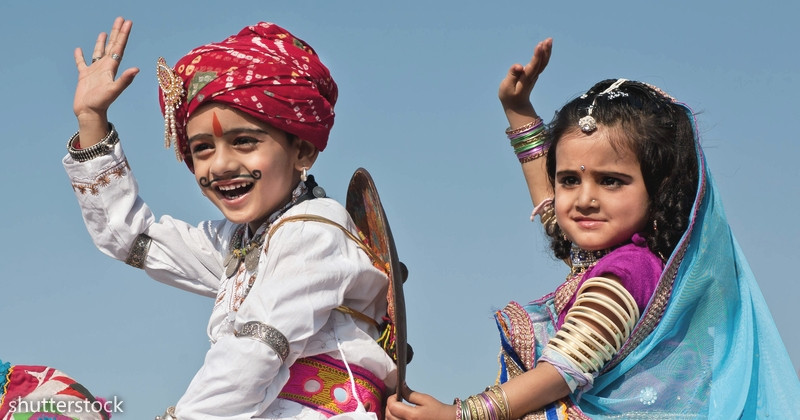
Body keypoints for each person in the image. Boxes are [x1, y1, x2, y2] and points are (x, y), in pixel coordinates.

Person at [386, 39, 800, 419]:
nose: (583, 199)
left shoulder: (626, 272)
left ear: (659, 190)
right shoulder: (609, 255)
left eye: (611, 181)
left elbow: (563, 370)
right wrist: (519, 110)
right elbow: (553, 208)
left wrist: (460, 415)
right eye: (570, 179)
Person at [64, 17, 397, 419]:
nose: (220, 165)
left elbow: (257, 348)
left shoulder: (314, 228)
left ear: (303, 151)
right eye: (202, 148)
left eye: (243, 141)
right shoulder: (239, 241)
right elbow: (132, 239)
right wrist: (91, 120)